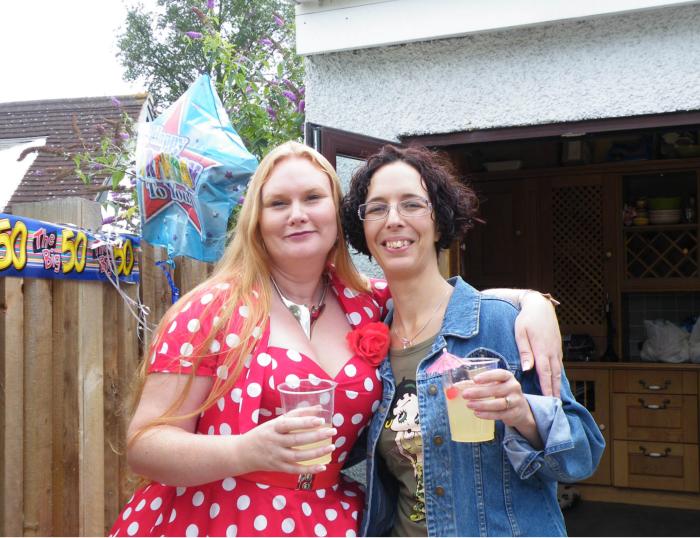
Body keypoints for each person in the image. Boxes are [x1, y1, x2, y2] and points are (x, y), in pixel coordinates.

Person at [109, 141, 564, 538]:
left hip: (331, 519)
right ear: (257, 220)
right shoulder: (211, 310)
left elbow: (442, 299)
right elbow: (145, 444)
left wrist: (532, 302)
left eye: (313, 197)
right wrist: (247, 451)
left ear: (337, 214)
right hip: (221, 517)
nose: (298, 215)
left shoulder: (366, 303)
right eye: (278, 203)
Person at [340, 144, 605, 537]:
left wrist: (523, 414)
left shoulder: (501, 323)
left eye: (412, 204)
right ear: (363, 228)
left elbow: (581, 457)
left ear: (440, 220)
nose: (393, 219)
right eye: (377, 208)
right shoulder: (369, 343)